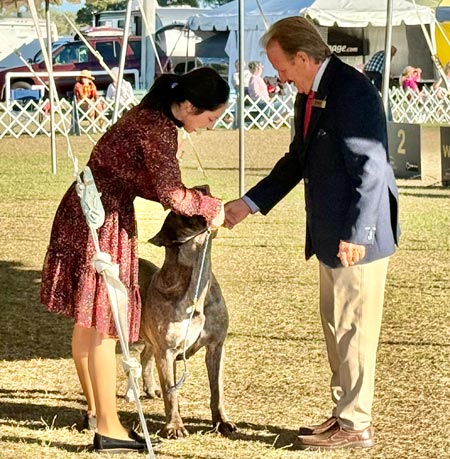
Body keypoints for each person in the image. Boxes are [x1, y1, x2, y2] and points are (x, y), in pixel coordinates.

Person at [224, 17, 399, 450]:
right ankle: (344, 412)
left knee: (354, 329)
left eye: (282, 68)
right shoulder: (310, 94)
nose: (280, 78)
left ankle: (356, 424)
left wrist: (358, 233)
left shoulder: (352, 90)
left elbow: (372, 167)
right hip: (329, 233)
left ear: (303, 58)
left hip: (356, 236)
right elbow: (297, 160)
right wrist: (249, 203)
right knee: (337, 326)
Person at [40, 67, 229, 453]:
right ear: (188, 106)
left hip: (86, 207)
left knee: (88, 320)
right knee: (104, 322)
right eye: (211, 118)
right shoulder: (159, 129)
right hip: (103, 217)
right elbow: (171, 195)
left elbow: (140, 179)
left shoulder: (147, 115)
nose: (210, 127)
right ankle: (108, 427)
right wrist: (210, 206)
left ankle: (96, 411)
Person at [248, 60, 282, 124]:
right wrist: (265, 100)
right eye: (261, 67)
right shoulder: (254, 79)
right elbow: (255, 92)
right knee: (268, 105)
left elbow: (263, 91)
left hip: (265, 100)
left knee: (279, 104)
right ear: (257, 68)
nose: (262, 69)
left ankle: (273, 119)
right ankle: (263, 120)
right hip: (258, 101)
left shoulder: (259, 78)